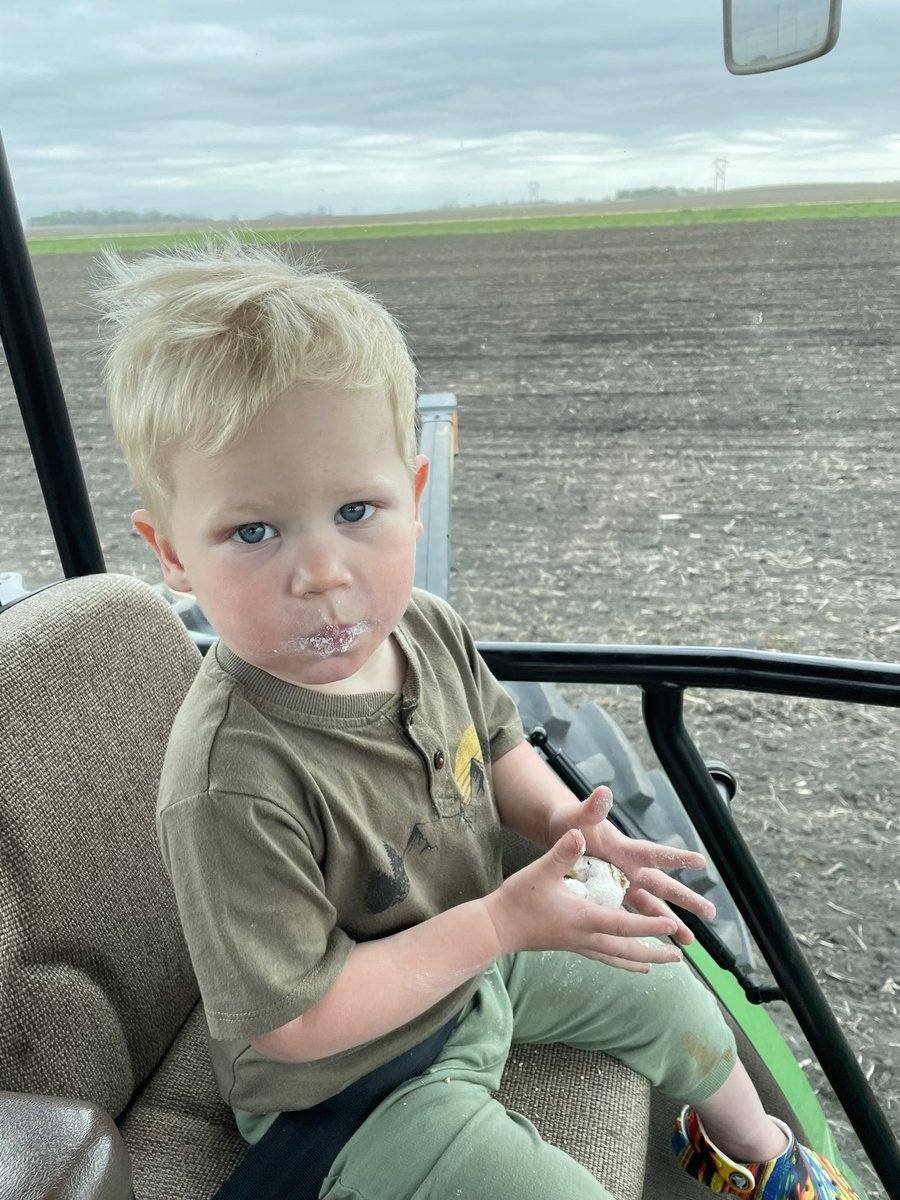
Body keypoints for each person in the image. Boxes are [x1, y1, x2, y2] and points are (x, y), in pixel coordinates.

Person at [100, 239, 860, 1200]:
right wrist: (500, 922)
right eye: (255, 531)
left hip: (470, 961)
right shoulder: (232, 778)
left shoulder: (425, 627)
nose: (322, 572)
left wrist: (570, 830)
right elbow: (292, 1025)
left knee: (666, 980)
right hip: (352, 1086)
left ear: (413, 500)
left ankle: (759, 1163)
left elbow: (496, 741)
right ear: (171, 554)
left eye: (356, 509)